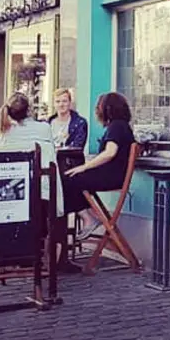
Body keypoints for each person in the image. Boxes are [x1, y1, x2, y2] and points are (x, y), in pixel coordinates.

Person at [62, 92, 135, 243]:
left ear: (108, 109)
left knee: (67, 180)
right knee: (71, 178)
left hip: (111, 177)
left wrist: (85, 167)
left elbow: (110, 153)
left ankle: (88, 218)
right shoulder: (122, 126)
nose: (97, 110)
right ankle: (90, 216)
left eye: (99, 107)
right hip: (114, 175)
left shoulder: (116, 127)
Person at [0, 92, 64, 229]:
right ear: (29, 110)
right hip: (42, 190)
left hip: (13, 189)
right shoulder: (44, 128)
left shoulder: (6, 132)